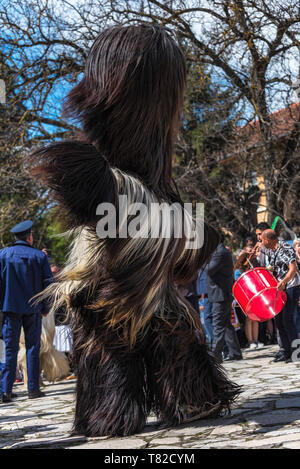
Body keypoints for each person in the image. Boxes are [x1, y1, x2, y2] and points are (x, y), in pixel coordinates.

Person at [30, 24, 240, 437]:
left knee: (134, 334)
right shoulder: (120, 182)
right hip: (122, 268)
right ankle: (154, 404)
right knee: (136, 332)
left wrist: (191, 233)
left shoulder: (131, 183)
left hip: (125, 265)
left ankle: (125, 410)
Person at [0, 220, 53, 402]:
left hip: (10, 308)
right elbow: (49, 284)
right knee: (32, 348)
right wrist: (46, 307)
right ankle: (33, 389)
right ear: (29, 237)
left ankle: (5, 391)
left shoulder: (3, 255)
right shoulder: (39, 256)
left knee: (10, 350)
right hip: (33, 309)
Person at [261, 229, 300, 362]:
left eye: (261, 240)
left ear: (267, 240)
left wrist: (283, 281)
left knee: (289, 321)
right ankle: (286, 351)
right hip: (280, 289)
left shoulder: (286, 248)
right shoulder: (275, 251)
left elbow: (293, 269)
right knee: (279, 321)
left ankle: (296, 353)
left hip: (291, 286)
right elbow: (272, 268)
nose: (261, 243)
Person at [206, 236, 243, 363]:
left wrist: (201, 259)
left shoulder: (220, 252)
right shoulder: (219, 251)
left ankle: (214, 355)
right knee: (227, 325)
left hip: (220, 295)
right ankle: (235, 352)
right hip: (221, 294)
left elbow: (209, 270)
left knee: (218, 325)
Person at [234, 251, 264, 349]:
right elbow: (239, 283)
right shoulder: (238, 271)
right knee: (249, 319)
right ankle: (250, 341)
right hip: (246, 297)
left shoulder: (251, 269)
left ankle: (256, 339)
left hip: (254, 296)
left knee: (255, 319)